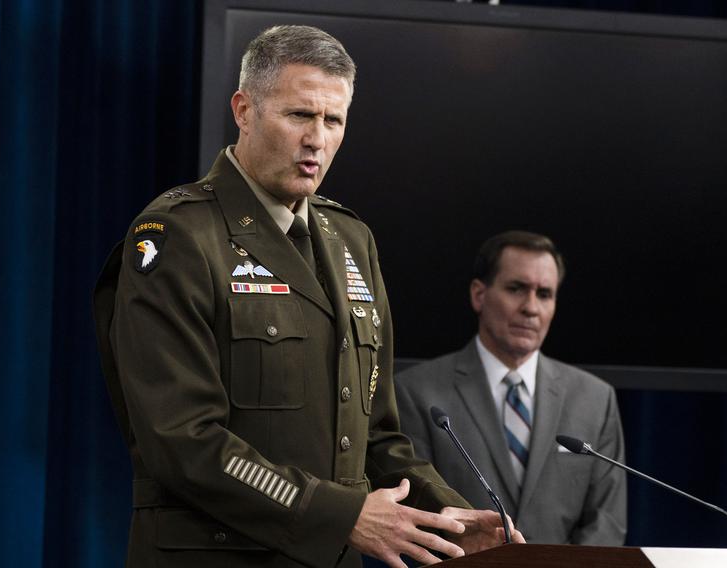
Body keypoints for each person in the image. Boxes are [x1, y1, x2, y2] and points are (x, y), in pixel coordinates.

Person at [93, 25, 521, 568]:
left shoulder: (352, 240)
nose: (317, 139)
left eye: (333, 119)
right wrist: (342, 516)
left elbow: (377, 437)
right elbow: (183, 442)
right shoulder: (177, 235)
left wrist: (448, 517)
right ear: (244, 110)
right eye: (299, 115)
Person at [395, 231, 626, 545]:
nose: (531, 307)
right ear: (479, 295)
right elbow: (416, 515)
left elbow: (606, 523)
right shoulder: (417, 392)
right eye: (516, 289)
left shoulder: (595, 400)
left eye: (544, 294)